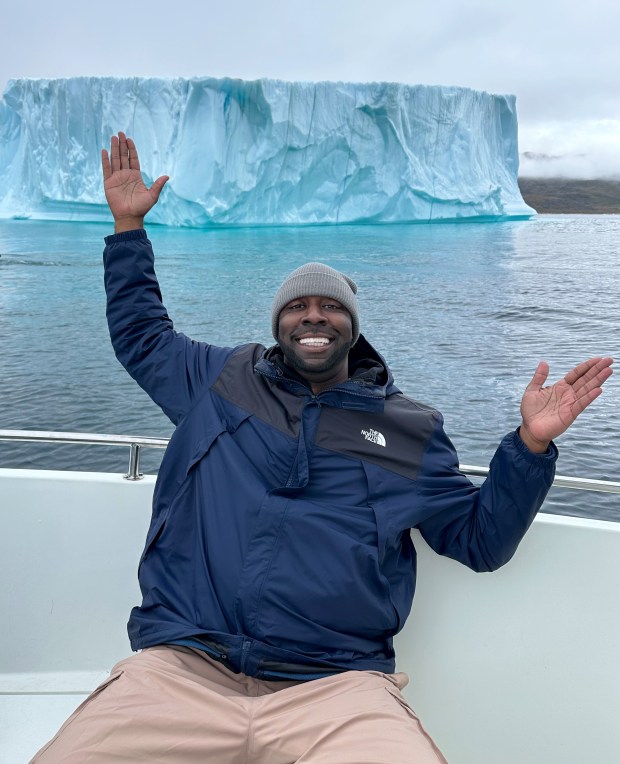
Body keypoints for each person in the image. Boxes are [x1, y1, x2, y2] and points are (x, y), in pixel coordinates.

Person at [33, 133, 613, 764]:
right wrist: (126, 229)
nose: (314, 317)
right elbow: (142, 334)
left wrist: (528, 445)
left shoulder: (405, 429)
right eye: (299, 306)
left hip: (338, 688)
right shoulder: (223, 380)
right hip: (183, 666)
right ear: (278, 323)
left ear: (353, 327)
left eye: (331, 307)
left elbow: (479, 540)